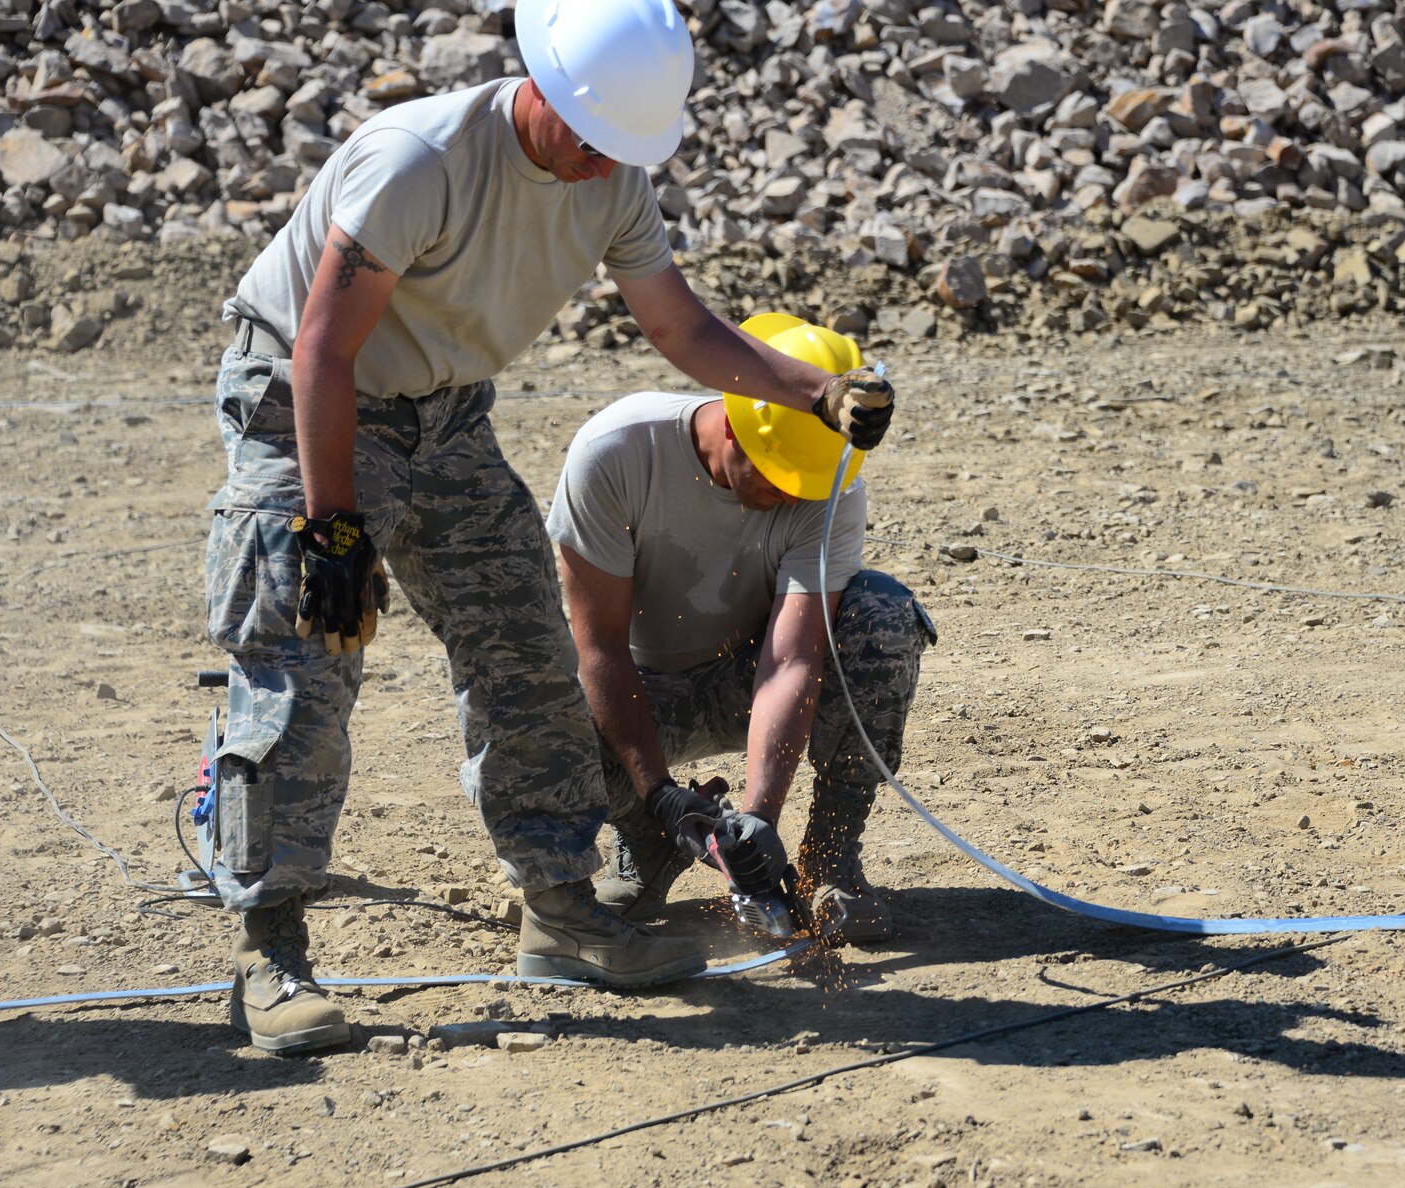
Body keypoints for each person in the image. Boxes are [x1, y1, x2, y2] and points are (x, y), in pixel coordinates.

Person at [201, 0, 896, 1054]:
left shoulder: (612, 174)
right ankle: (272, 954)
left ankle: (561, 911)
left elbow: (681, 329)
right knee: (307, 655)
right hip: (306, 403)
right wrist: (332, 530)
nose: (593, 161)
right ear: (543, 86)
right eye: (583, 133)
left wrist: (813, 393)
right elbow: (321, 349)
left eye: (617, 145)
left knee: (526, 653)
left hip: (446, 417)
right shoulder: (420, 158)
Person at [549, 314, 936, 948]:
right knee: (532, 696)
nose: (791, 498)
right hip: (643, 691)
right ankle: (647, 839)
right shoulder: (616, 453)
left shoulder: (830, 489)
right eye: (778, 477)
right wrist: (659, 795)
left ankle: (826, 860)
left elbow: (791, 661)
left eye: (802, 486)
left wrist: (758, 821)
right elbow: (600, 649)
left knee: (880, 616)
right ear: (732, 425)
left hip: (745, 680)